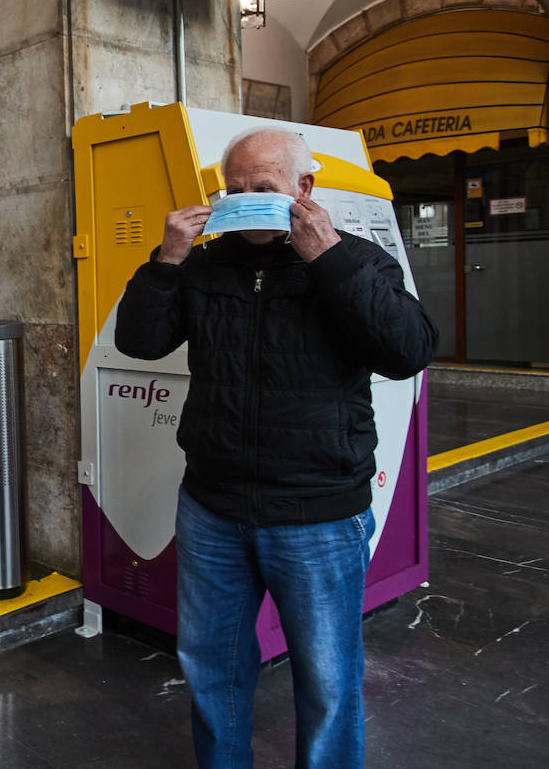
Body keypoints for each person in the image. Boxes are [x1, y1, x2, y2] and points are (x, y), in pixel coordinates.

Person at [114, 127, 437, 769]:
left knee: (326, 682)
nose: (247, 200)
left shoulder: (358, 261)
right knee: (212, 671)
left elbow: (409, 351)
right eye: (234, 190)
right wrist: (166, 258)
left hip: (318, 514)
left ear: (303, 188)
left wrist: (330, 261)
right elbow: (140, 343)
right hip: (212, 510)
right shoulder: (203, 267)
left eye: (263, 188)